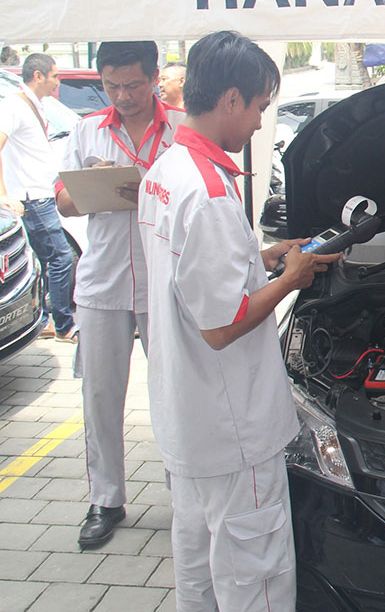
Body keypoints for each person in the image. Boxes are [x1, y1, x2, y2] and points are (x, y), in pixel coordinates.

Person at [137, 30, 340, 610]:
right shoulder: (209, 194)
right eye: (257, 107)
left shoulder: (166, 172)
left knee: (200, 569)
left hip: (189, 421)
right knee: (256, 580)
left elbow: (192, 279)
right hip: (235, 436)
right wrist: (290, 281)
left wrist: (263, 257)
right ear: (230, 99)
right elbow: (222, 326)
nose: (257, 123)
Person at [56, 41, 185, 548]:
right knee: (100, 396)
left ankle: (186, 493)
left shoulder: (181, 127)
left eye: (133, 84)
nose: (124, 95)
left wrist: (151, 188)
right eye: (112, 86)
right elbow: (63, 202)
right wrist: (95, 190)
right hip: (102, 282)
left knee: (176, 393)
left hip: (166, 282)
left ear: (154, 76)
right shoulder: (88, 129)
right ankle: (105, 499)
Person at [0, 53, 76, 341]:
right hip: (31, 197)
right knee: (60, 258)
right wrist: (3, 194)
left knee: (49, 260)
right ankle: (61, 324)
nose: (58, 82)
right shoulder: (14, 106)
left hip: (42, 193)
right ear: (38, 76)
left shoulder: (35, 105)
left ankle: (47, 320)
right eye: (55, 76)